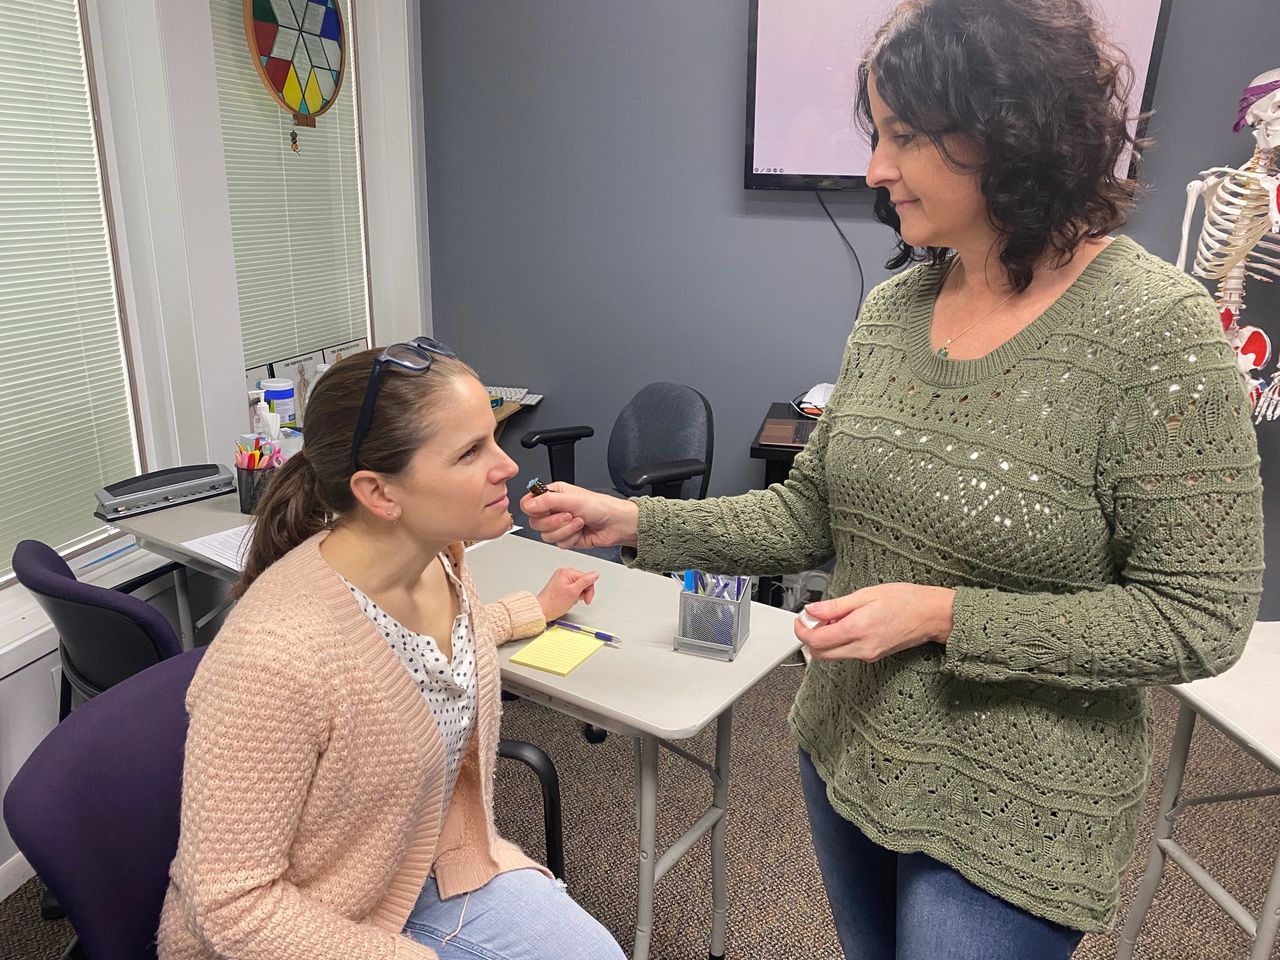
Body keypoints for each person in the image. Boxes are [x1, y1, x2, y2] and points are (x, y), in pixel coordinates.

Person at [522, 2, 1266, 958]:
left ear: (1013, 130)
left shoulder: (1156, 330)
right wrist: (633, 520)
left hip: (1017, 806)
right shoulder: (892, 310)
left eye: (906, 135)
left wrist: (945, 616)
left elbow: (1199, 617)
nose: (876, 168)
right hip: (851, 746)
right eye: (877, 133)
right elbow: (809, 515)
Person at [158, 337, 625, 960]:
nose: (508, 466)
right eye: (470, 452)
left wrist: (535, 609)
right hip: (297, 928)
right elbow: (228, 907)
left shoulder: (438, 559)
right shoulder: (272, 657)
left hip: (409, 869)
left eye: (493, 439)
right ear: (380, 494)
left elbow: (423, 659)